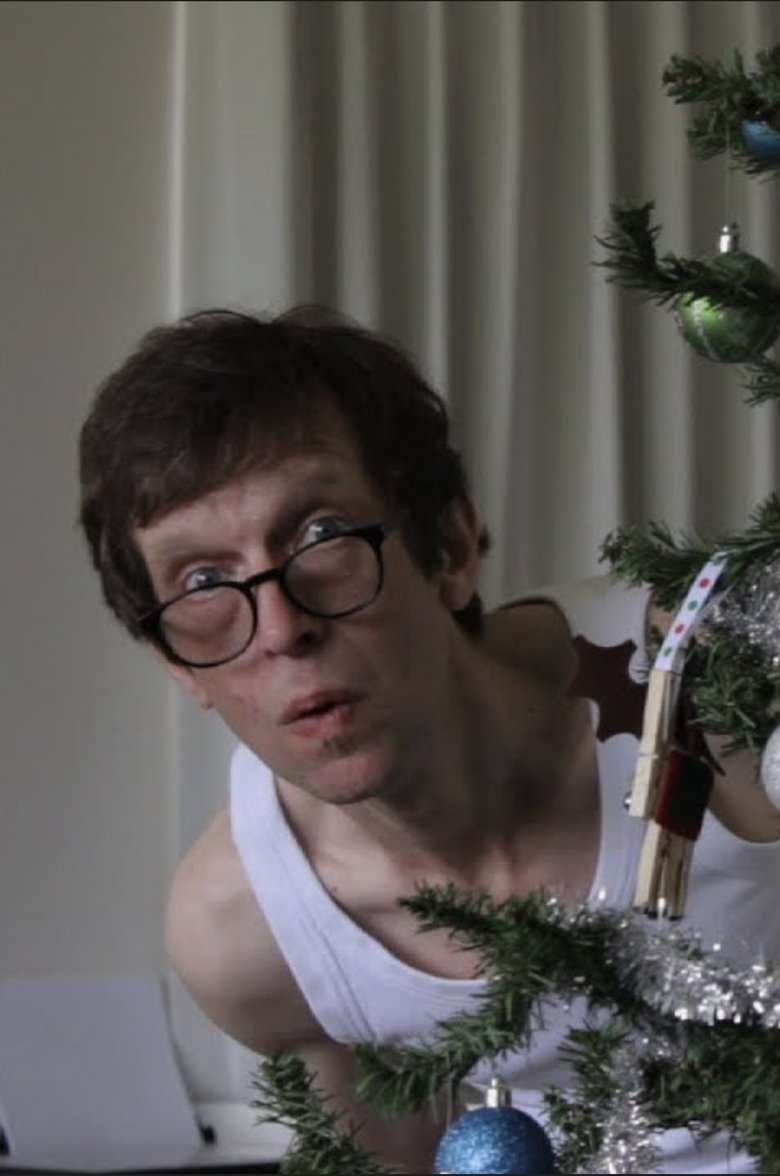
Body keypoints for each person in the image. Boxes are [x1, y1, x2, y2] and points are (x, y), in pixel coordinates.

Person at [78, 305, 780, 1174]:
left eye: (321, 534)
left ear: (447, 547)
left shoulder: (714, 681)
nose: (282, 628)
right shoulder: (250, 932)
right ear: (176, 662)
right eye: (204, 581)